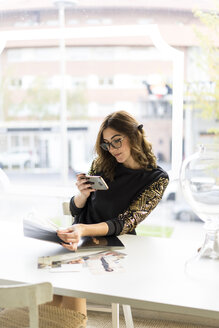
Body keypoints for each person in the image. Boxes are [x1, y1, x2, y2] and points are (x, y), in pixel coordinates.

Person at [52, 110, 169, 320]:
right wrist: (82, 194)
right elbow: (76, 210)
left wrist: (83, 229)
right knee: (51, 289)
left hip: (114, 243)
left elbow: (125, 222)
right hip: (79, 238)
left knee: (67, 283)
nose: (112, 149)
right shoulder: (103, 164)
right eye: (107, 144)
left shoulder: (157, 179)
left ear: (134, 135)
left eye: (117, 141)